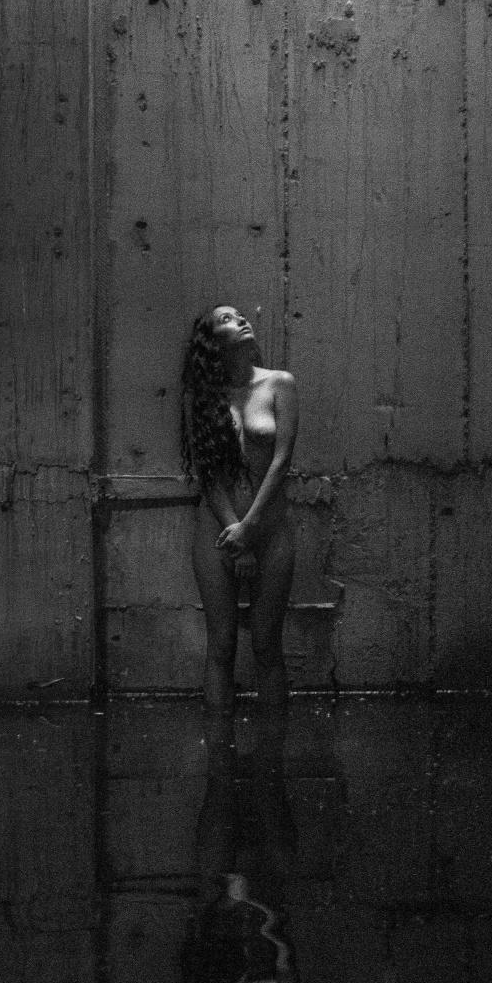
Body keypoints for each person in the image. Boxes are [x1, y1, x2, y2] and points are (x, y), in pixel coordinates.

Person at [180, 303, 300, 878]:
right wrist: (234, 534)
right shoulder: (203, 398)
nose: (241, 320)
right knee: (222, 643)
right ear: (212, 340)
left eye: (239, 315)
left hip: (269, 526)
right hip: (218, 527)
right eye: (227, 319)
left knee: (267, 644)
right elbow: (209, 474)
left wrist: (251, 529)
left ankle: (274, 765)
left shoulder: (280, 384)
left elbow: (281, 460)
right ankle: (219, 773)